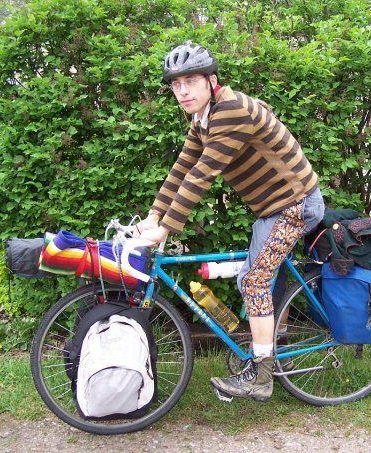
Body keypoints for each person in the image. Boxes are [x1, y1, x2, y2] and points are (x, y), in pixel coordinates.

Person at [133, 43, 325, 402]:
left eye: (191, 81)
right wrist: (154, 214)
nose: (183, 91)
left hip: (295, 204)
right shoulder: (203, 118)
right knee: (253, 280)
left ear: (211, 81)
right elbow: (183, 168)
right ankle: (273, 350)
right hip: (272, 208)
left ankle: (261, 377)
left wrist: (166, 228)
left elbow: (203, 174)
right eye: (176, 85)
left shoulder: (231, 110)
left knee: (254, 282)